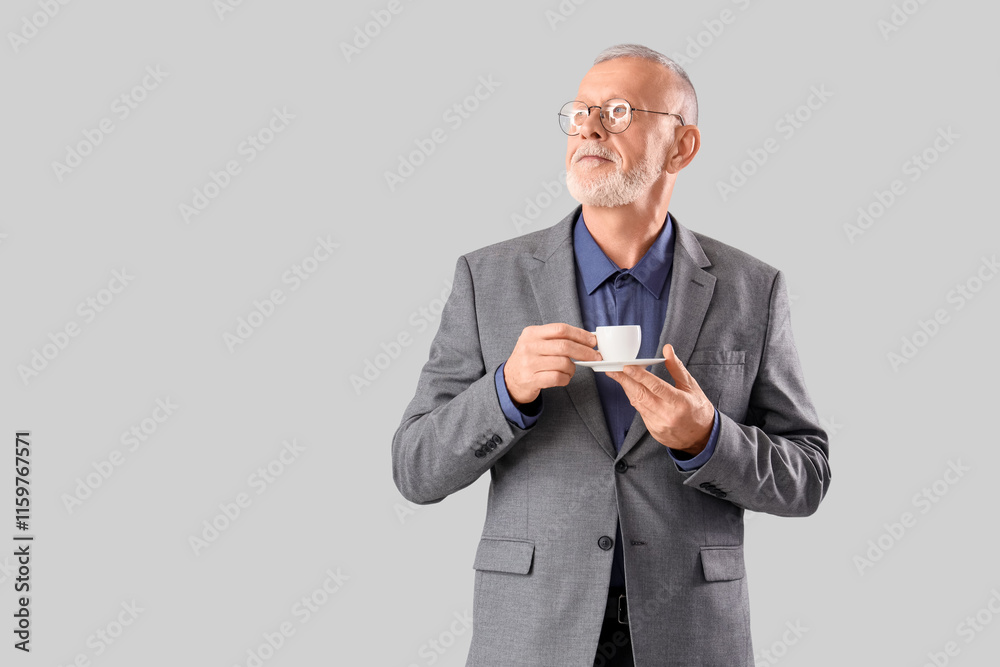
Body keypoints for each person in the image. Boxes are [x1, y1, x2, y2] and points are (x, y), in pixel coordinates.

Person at [392, 43, 831, 667]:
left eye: (620, 111)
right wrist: (504, 393)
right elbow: (415, 469)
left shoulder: (752, 289)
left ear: (683, 147)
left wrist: (707, 438)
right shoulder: (485, 278)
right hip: (532, 638)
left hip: (691, 639)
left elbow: (807, 478)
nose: (590, 126)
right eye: (580, 112)